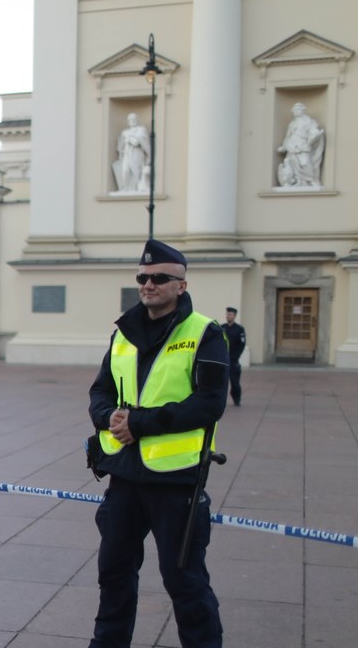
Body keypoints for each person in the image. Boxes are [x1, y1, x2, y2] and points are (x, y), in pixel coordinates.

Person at [87, 239, 227, 647]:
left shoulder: (204, 332)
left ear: (181, 285)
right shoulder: (123, 333)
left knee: (185, 583)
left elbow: (210, 403)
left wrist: (140, 423)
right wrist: (108, 418)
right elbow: (100, 391)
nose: (149, 284)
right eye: (143, 278)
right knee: (113, 576)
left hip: (177, 482)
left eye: (160, 278)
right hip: (124, 476)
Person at [277, 102, 325, 188]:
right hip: (292, 145)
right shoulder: (292, 123)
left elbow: (313, 131)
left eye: (297, 110)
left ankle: (311, 180)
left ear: (303, 110)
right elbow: (288, 136)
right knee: (292, 162)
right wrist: (283, 147)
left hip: (303, 144)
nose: (295, 112)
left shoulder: (309, 121)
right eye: (294, 110)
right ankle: (296, 181)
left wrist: (316, 134)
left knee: (305, 163)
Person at [112, 112, 151, 193]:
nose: (132, 120)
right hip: (127, 154)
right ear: (128, 121)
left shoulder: (141, 129)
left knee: (136, 171)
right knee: (125, 171)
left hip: (137, 153)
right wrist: (121, 152)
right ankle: (126, 189)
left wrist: (129, 138)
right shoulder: (125, 132)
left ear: (137, 120)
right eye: (130, 119)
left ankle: (137, 188)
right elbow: (120, 145)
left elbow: (137, 142)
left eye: (134, 119)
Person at [224, 307, 246, 407]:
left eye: (230, 314)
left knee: (235, 382)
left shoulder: (239, 329)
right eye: (227, 314)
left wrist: (236, 356)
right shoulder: (222, 328)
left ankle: (236, 399)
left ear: (234, 316)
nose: (228, 316)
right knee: (221, 383)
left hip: (233, 360)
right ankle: (221, 401)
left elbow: (242, 344)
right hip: (223, 359)